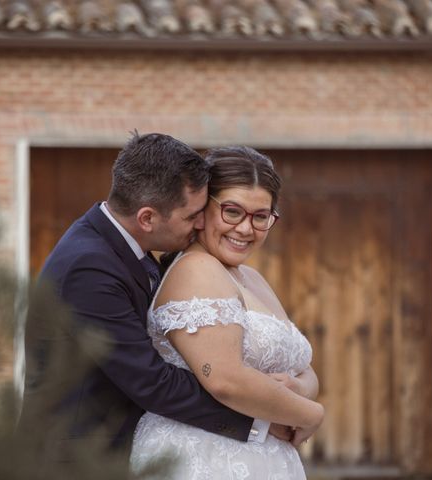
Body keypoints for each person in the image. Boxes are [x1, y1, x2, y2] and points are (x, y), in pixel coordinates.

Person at [17, 133, 303, 475]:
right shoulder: (89, 266)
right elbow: (152, 381)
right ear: (147, 218)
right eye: (192, 215)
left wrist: (289, 395)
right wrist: (265, 420)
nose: (200, 224)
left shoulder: (131, 251)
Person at [130, 146, 324, 478]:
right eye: (232, 212)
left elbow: (303, 369)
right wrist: (311, 414)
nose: (246, 229)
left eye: (261, 216)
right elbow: (225, 380)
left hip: (263, 459)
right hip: (207, 457)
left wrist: (299, 389)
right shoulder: (196, 270)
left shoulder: (251, 278)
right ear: (203, 211)